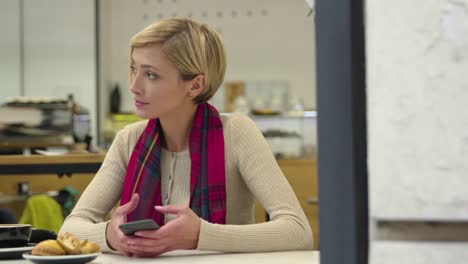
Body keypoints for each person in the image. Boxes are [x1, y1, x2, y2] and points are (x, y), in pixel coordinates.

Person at [59, 17, 313, 257]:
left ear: (195, 85)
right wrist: (110, 236)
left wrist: (201, 235)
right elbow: (70, 228)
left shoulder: (236, 133)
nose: (134, 86)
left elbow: (297, 231)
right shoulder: (129, 140)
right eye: (133, 69)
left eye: (151, 74)